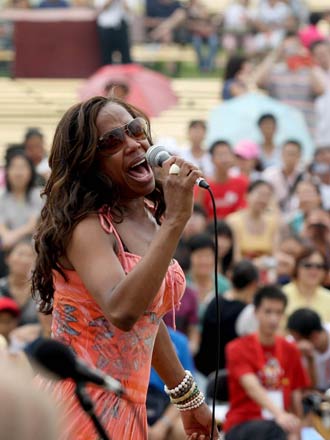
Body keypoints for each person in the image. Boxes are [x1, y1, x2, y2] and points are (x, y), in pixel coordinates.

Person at [32, 96, 218, 439]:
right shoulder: (86, 226)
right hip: (81, 407)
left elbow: (147, 318)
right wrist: (175, 221)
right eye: (112, 141)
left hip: (127, 406)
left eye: (135, 130)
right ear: (90, 163)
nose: (133, 143)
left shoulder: (147, 214)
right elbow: (122, 309)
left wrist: (190, 401)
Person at [224, 285, 310, 440]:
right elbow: (252, 387)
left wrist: (297, 428)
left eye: (278, 313)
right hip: (244, 422)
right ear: (256, 312)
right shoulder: (237, 347)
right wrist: (280, 415)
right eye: (268, 312)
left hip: (280, 425)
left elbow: (295, 395)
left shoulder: (290, 349)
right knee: (275, 431)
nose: (273, 319)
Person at [195, 260, 259, 376]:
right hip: (229, 374)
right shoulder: (248, 312)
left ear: (230, 277)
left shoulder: (213, 299)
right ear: (253, 285)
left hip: (202, 369)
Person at [196, 140, 248, 220]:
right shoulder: (203, 186)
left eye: (227, 154)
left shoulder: (242, 182)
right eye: (220, 155)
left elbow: (244, 211)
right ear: (212, 159)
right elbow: (198, 213)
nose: (224, 159)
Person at [283, 247, 330, 324]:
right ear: (296, 267)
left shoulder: (329, 298)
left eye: (319, 266)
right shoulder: (283, 294)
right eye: (308, 265)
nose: (314, 270)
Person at [287, 308, 330, 391]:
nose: (295, 343)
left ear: (315, 336)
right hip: (316, 394)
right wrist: (310, 359)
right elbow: (309, 388)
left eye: (297, 339)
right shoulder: (291, 345)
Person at [262, 139, 304, 214]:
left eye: (293, 154)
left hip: (296, 216)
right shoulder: (269, 174)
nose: (290, 157)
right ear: (281, 154)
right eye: (287, 153)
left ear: (300, 156)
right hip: (273, 214)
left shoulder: (305, 176)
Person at [94, 0, 132, 65]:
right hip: (107, 27)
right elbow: (99, 10)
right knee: (106, 55)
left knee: (126, 56)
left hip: (121, 26)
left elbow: (130, 10)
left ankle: (127, 73)